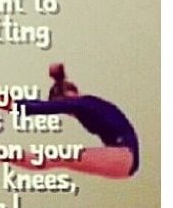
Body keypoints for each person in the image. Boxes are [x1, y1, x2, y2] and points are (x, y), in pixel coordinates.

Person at [10, 73, 139, 179]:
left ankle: (4, 154)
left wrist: (14, 105)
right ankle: (6, 155)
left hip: (124, 155)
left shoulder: (84, 103)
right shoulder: (89, 103)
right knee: (59, 157)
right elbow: (47, 105)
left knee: (59, 156)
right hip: (123, 156)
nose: (69, 113)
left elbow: (45, 107)